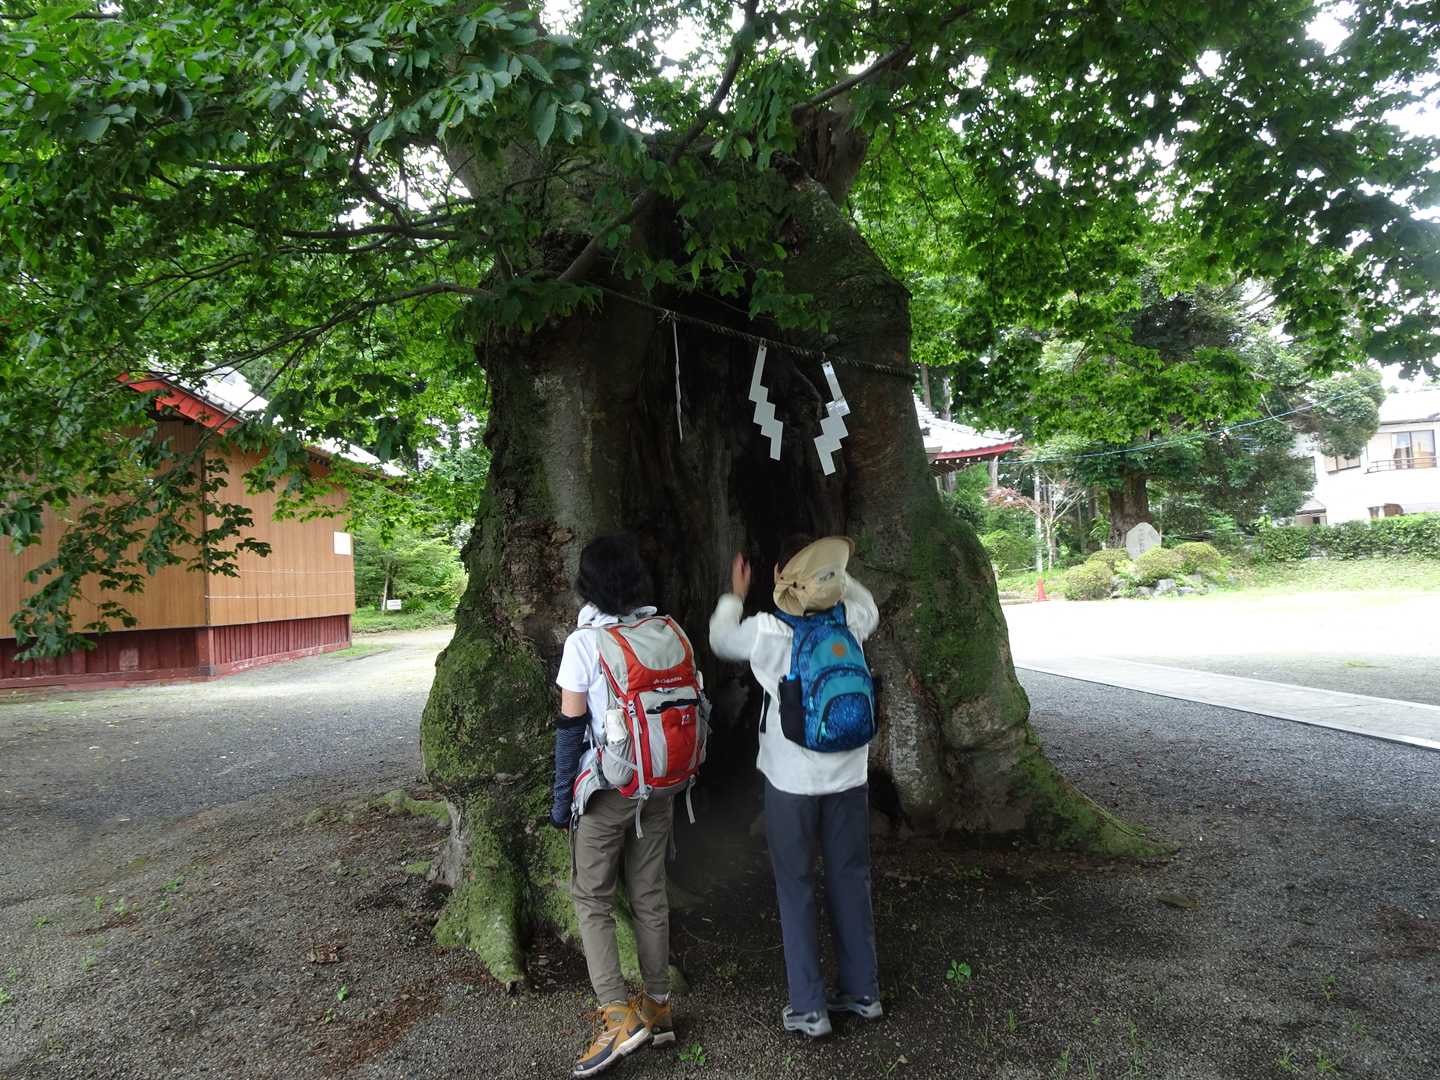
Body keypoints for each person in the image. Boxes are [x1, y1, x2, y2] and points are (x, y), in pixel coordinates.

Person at [708, 534, 883, 1039]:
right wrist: (835, 575)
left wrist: (736, 593)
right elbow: (867, 602)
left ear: (780, 577)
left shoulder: (768, 631)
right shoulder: (852, 620)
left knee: (796, 884)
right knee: (850, 877)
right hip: (850, 775)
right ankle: (863, 993)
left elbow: (721, 639)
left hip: (791, 782)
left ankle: (809, 1007)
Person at [549, 534, 683, 1078]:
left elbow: (569, 730)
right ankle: (658, 1007)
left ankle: (616, 1016)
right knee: (649, 893)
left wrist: (561, 801)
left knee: (591, 898)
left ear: (586, 584)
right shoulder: (667, 630)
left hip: (609, 789)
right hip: (662, 782)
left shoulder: (584, 643)